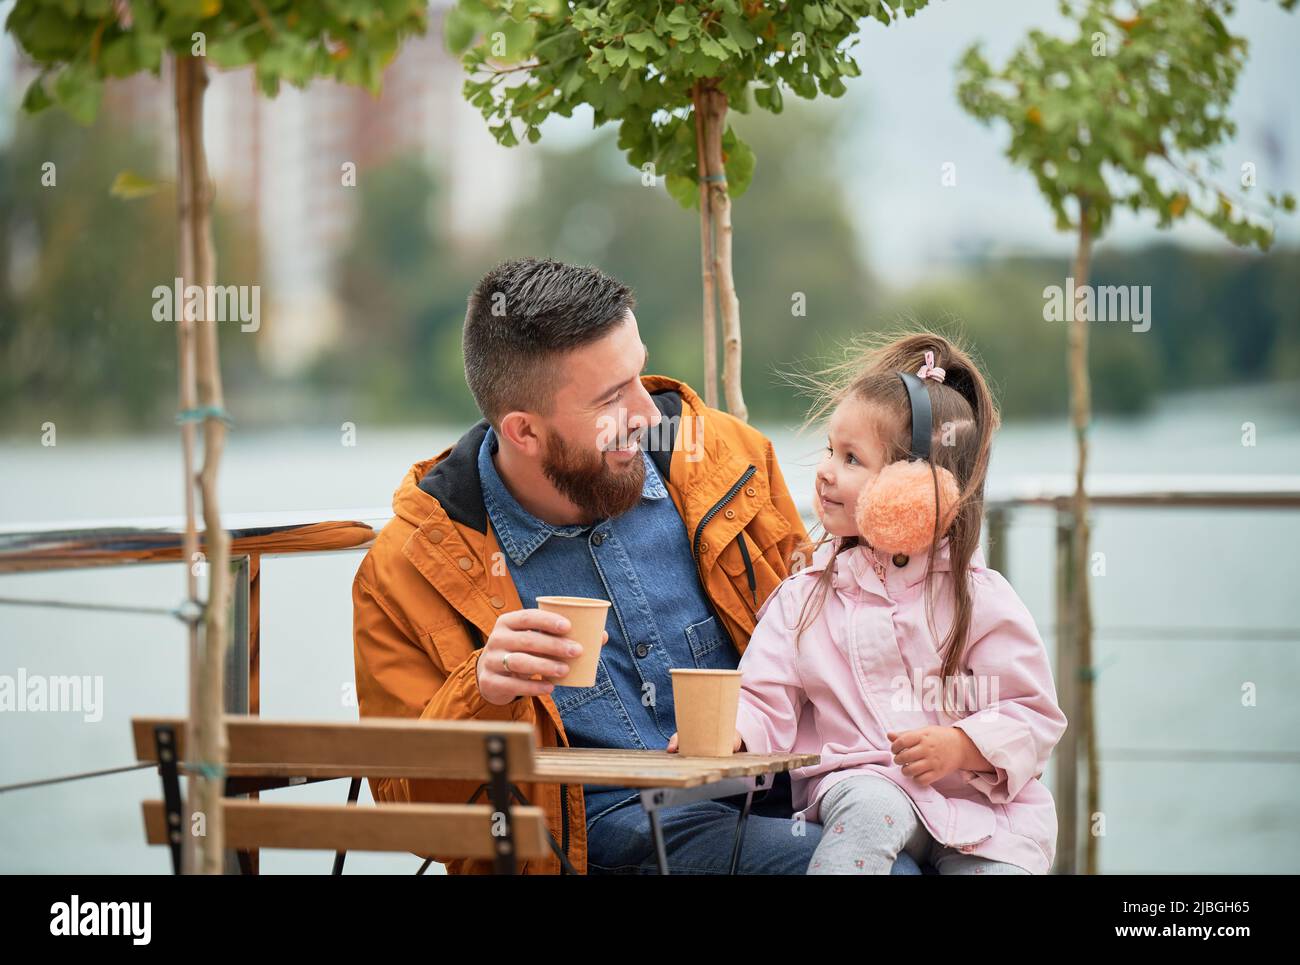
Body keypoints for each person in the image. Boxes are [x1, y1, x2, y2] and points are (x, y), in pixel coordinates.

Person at [352, 257, 923, 874]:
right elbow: (409, 809)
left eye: (638, 375)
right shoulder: (406, 569)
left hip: (790, 798)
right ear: (525, 431)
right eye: (610, 398)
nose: (648, 414)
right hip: (589, 846)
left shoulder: (729, 462)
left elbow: (836, 630)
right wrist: (483, 693)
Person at [669, 331, 1067, 874]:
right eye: (831, 450)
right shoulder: (804, 597)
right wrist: (732, 733)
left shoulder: (978, 597)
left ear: (913, 486)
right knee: (869, 808)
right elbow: (766, 695)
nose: (827, 469)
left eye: (852, 458)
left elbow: (1031, 711)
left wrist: (962, 746)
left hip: (984, 814)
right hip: (866, 780)